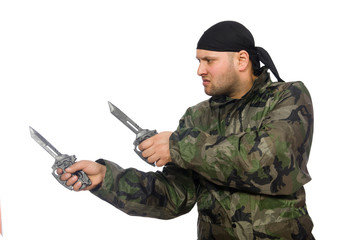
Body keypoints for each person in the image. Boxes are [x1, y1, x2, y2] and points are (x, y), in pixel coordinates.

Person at [58, 21, 315, 239]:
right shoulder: (198, 116)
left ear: (242, 59)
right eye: (199, 60)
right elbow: (174, 196)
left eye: (209, 60)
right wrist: (106, 178)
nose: (200, 70)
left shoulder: (287, 96)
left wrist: (179, 146)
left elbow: (269, 162)